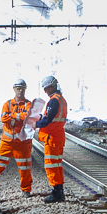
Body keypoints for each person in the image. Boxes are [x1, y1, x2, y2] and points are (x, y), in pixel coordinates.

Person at [0, 79, 36, 194]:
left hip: (22, 142)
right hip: (7, 141)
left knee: (24, 166)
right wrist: (18, 118)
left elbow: (28, 117)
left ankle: (26, 189)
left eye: (22, 88)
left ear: (25, 89)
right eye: (18, 88)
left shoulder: (28, 104)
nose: (20, 91)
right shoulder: (7, 104)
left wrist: (12, 116)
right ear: (14, 89)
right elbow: (4, 118)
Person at [34, 75, 68, 203]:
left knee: (51, 166)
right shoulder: (62, 100)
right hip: (58, 136)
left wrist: (36, 124)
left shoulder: (54, 100)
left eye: (46, 88)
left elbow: (47, 120)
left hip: (51, 138)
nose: (45, 91)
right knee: (57, 165)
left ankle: (56, 193)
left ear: (51, 87)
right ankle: (59, 191)